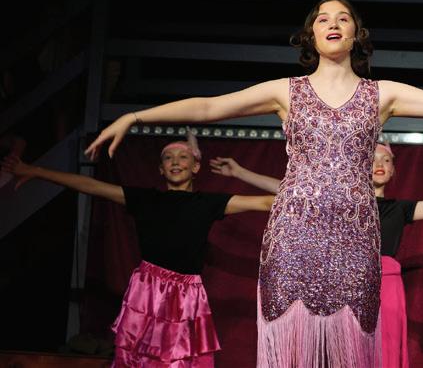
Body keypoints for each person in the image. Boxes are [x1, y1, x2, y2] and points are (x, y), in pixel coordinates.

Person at [85, 0, 423, 367]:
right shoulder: (287, 91)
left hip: (354, 239)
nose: (333, 23)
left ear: (356, 35)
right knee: (293, 351)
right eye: (322, 18)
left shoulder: (380, 94)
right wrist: (136, 116)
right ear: (311, 35)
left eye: (342, 18)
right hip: (294, 237)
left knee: (349, 352)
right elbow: (211, 107)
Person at [210, 142, 423, 367]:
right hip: (344, 286)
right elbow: (288, 190)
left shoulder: (399, 209)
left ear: (394, 170)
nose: (379, 165)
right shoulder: (341, 202)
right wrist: (240, 173)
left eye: (386, 160)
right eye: (372, 159)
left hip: (386, 287)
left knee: (383, 354)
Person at [2, 131, 274, 367]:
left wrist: (240, 173)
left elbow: (267, 202)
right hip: (147, 291)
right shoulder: (145, 199)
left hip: (186, 294)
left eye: (183, 157)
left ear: (195, 167)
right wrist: (35, 171)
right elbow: (90, 185)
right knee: (139, 358)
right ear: (160, 169)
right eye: (168, 158)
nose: (175, 162)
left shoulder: (208, 203)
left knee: (180, 360)